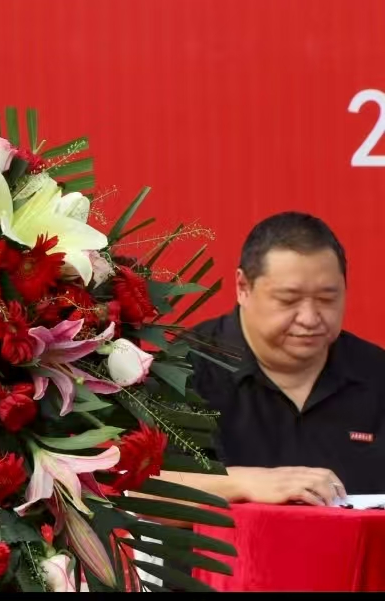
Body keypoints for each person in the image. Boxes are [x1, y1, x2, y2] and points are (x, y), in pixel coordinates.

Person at [161, 211, 385, 505]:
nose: (309, 318)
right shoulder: (183, 369)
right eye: (288, 300)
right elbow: (141, 487)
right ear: (243, 288)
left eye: (327, 299)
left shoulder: (376, 373)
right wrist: (241, 483)